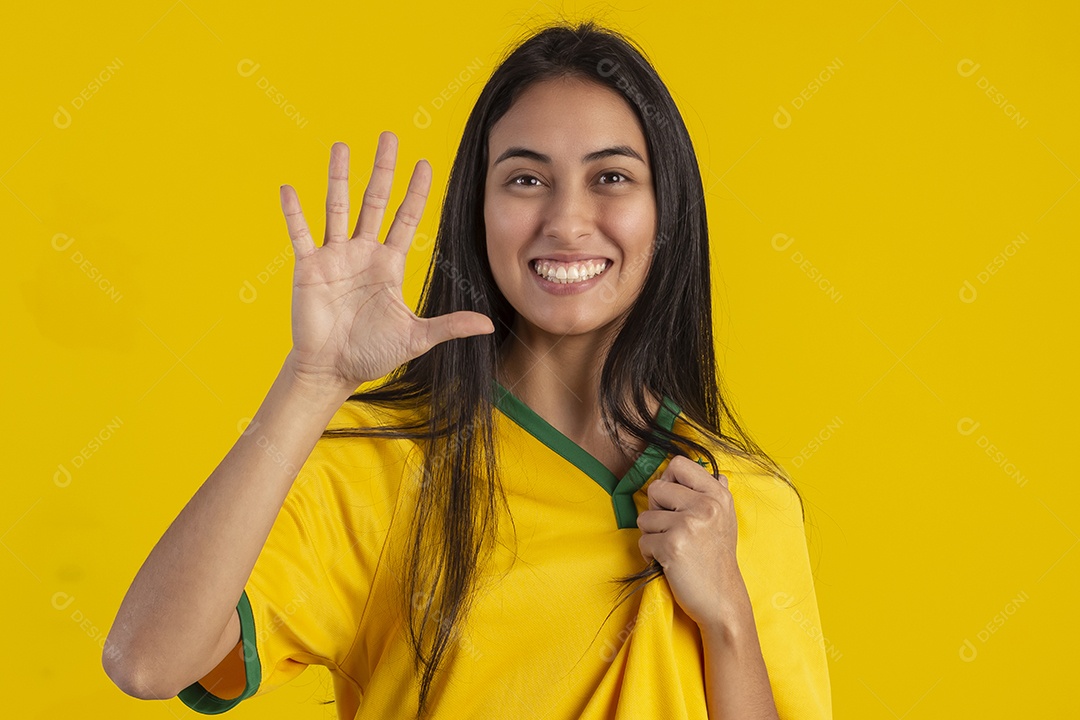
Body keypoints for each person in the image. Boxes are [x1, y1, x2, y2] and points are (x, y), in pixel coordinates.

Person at [102, 19, 832, 720]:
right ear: (476, 213)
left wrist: (728, 616)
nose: (568, 221)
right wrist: (313, 382)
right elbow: (148, 662)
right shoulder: (384, 467)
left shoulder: (745, 505)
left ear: (667, 209)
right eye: (524, 180)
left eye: (611, 176)